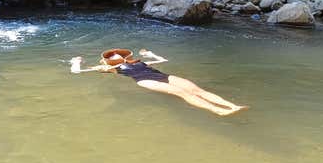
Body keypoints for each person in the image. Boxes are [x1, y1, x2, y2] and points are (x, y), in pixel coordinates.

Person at [70, 49, 246, 116]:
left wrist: (150, 54)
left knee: (197, 90)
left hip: (162, 75)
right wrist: (75, 62)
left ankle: (232, 106)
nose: (115, 55)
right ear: (109, 60)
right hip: (144, 80)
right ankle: (218, 110)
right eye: (112, 56)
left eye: (117, 54)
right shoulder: (111, 68)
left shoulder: (137, 61)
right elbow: (78, 72)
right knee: (183, 93)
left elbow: (163, 60)